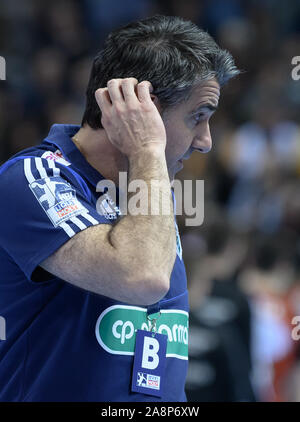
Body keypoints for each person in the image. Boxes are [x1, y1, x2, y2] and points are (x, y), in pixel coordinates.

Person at [0, 15, 239, 402]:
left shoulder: (150, 194)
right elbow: (141, 278)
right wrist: (146, 148)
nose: (206, 141)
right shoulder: (30, 178)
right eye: (198, 117)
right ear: (140, 109)